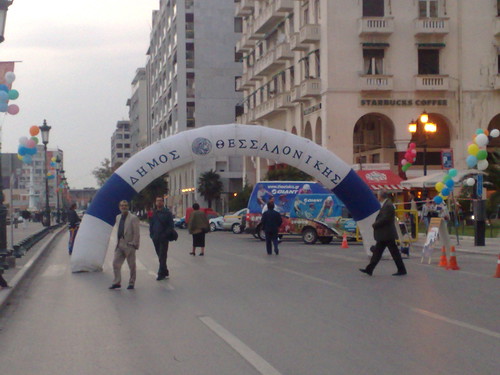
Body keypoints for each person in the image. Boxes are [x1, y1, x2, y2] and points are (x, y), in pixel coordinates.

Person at [359, 191, 407, 276]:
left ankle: (401, 269)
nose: (377, 197)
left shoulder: (388, 205)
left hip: (387, 233)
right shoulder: (386, 204)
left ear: (381, 196)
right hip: (385, 234)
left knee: (393, 252)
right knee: (378, 252)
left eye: (378, 195)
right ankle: (369, 269)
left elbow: (385, 218)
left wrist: (375, 224)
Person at [109, 200, 140, 290]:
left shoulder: (133, 218)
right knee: (115, 264)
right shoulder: (118, 217)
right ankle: (117, 282)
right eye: (122, 206)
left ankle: (131, 282)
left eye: (125, 205)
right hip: (120, 244)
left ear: (128, 207)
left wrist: (134, 244)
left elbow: (136, 232)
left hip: (129, 245)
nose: (124, 207)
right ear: (119, 207)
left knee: (131, 265)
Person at [149, 196, 174, 280]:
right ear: (155, 203)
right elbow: (151, 224)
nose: (159, 202)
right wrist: (151, 234)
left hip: (163, 238)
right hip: (155, 238)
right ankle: (165, 270)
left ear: (163, 202)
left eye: (160, 201)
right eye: (157, 201)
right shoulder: (154, 213)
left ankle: (161, 273)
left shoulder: (167, 213)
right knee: (160, 255)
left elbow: (171, 225)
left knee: (162, 255)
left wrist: (166, 234)